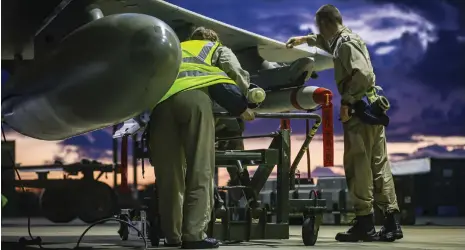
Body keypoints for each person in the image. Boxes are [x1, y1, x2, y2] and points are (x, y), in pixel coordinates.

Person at [286, 4, 403, 242]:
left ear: (327, 23)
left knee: (358, 166)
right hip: (371, 107)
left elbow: (363, 74)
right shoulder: (346, 39)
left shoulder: (345, 44)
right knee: (378, 166)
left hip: (360, 110)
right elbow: (325, 42)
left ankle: (365, 224)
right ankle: (391, 222)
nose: (319, 32)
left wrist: (347, 102)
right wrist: (304, 40)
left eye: (320, 27)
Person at [147, 27, 255, 249]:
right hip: (194, 101)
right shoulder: (215, 48)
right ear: (212, 38)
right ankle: (194, 235)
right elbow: (237, 76)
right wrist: (244, 102)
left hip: (160, 105)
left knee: (169, 175)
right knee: (200, 168)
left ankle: (173, 235)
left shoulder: (176, 48)